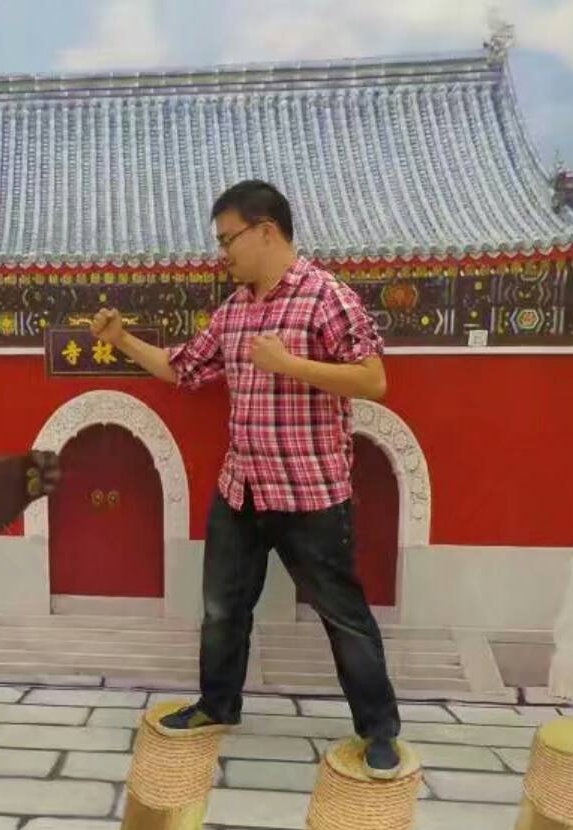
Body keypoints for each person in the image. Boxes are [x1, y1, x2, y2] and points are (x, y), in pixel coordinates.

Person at [89, 179, 402, 778]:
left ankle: (379, 729)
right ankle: (217, 705)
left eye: (227, 239)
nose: (222, 253)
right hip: (242, 489)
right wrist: (121, 339)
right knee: (222, 608)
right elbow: (183, 370)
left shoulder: (326, 297)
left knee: (343, 616)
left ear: (266, 231)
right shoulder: (233, 311)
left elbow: (373, 380)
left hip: (311, 495)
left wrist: (288, 364)